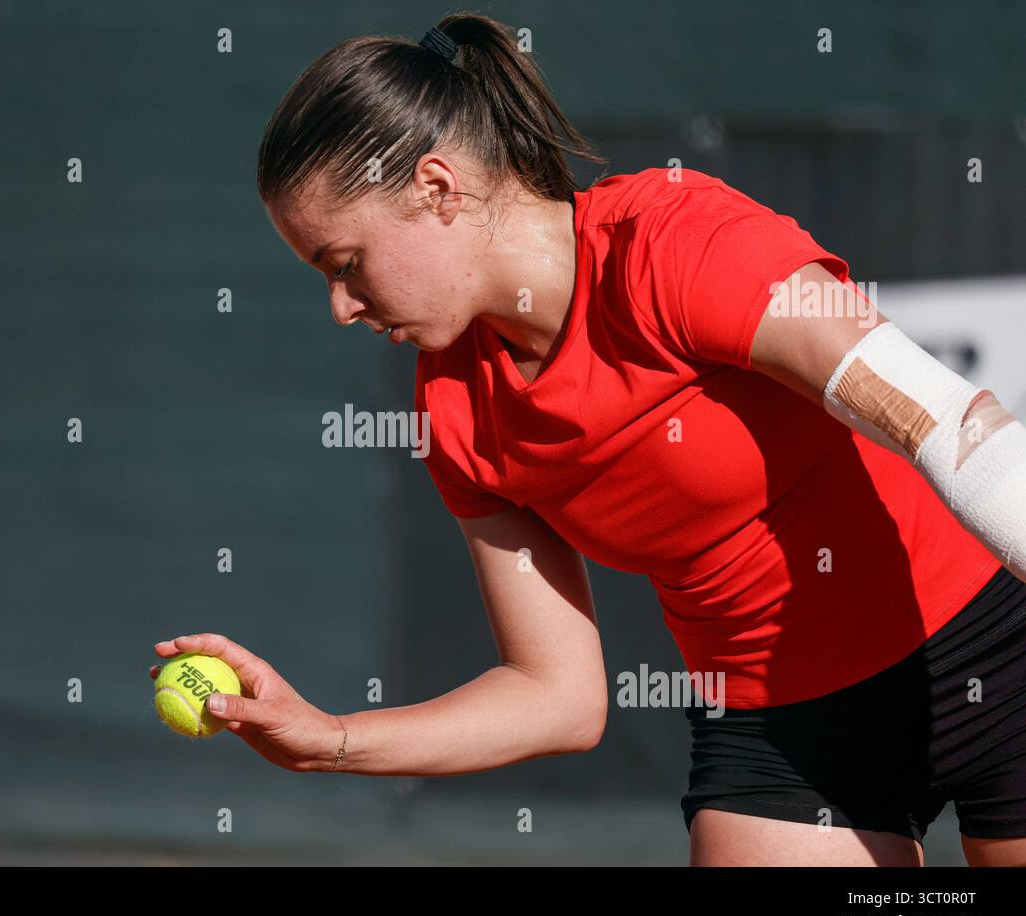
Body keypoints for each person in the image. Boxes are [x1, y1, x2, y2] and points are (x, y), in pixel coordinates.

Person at [153, 12, 1026, 866]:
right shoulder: (454, 406)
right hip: (784, 729)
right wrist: (328, 740)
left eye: (344, 265)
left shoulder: (678, 246)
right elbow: (556, 697)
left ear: (435, 188)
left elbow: (946, 423)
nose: (341, 307)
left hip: (997, 644)